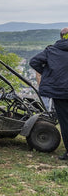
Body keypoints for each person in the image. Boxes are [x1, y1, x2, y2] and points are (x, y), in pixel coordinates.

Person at [29, 27, 68, 160]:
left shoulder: (51, 50)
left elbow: (34, 61)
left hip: (60, 93)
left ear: (61, 36)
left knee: (65, 122)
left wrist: (47, 73)